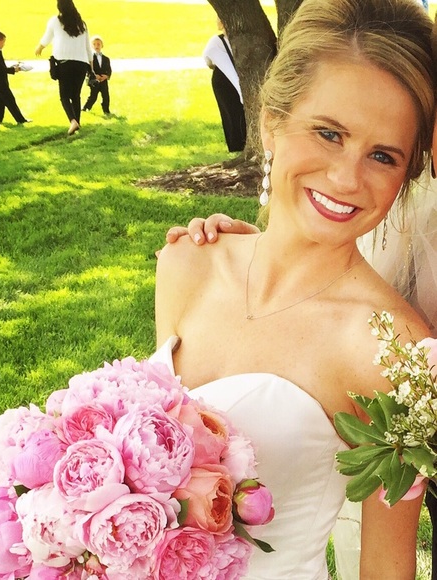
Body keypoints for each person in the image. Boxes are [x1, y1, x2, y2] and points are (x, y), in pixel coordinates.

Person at [154, 0, 436, 577]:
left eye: (383, 156)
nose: (346, 178)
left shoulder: (395, 350)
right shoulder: (186, 264)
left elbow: (386, 568)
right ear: (270, 122)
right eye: (329, 133)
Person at [35, 0, 93, 135]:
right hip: (81, 64)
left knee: (64, 96)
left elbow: (47, 38)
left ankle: (73, 121)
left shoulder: (55, 21)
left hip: (64, 63)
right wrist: (91, 67)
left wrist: (39, 47)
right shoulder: (82, 24)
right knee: (76, 95)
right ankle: (77, 122)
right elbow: (87, 48)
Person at [202, 17, 246, 153]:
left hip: (238, 78)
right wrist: (241, 92)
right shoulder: (216, 43)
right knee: (231, 112)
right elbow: (210, 61)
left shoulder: (245, 40)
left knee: (239, 112)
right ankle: (238, 144)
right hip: (224, 82)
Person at [0, 30, 30, 125]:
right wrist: (14, 69)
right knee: (10, 100)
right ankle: (21, 120)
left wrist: (12, 68)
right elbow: (0, 69)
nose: (4, 44)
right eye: (3, 42)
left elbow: (1, 68)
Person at [82, 35, 112, 115]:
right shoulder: (90, 58)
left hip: (103, 81)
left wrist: (106, 76)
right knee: (93, 96)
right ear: (91, 46)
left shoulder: (106, 59)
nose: (96, 46)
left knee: (106, 96)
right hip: (94, 81)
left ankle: (106, 110)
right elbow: (88, 69)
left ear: (102, 45)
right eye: (94, 44)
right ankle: (86, 108)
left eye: (98, 44)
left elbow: (109, 69)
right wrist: (94, 76)